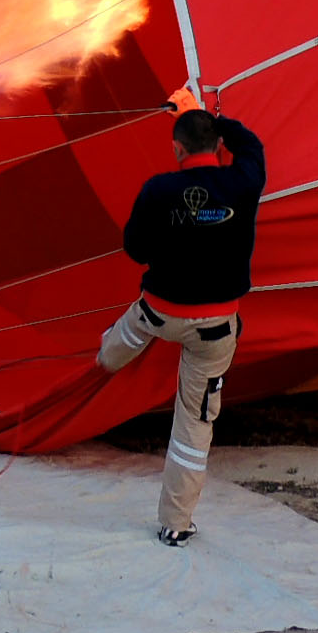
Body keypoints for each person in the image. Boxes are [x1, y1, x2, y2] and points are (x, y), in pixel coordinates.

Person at [97, 91, 269, 544]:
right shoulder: (243, 182)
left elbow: (134, 249)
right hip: (215, 327)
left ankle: (102, 363)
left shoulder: (158, 190)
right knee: (193, 422)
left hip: (159, 313)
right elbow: (253, 148)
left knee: (130, 330)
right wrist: (212, 117)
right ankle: (175, 525)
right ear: (217, 148)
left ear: (176, 149)